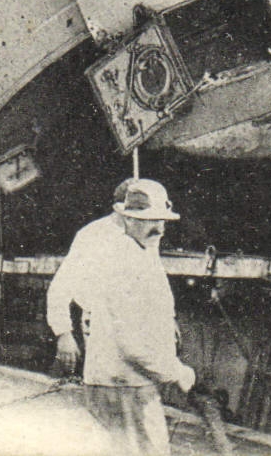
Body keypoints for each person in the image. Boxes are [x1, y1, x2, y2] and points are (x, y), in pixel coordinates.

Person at [47, 178, 196, 456]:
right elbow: (62, 286)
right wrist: (63, 332)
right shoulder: (97, 238)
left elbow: (153, 279)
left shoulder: (141, 237)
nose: (161, 229)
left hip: (129, 362)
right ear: (124, 212)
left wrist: (166, 318)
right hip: (117, 360)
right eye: (152, 219)